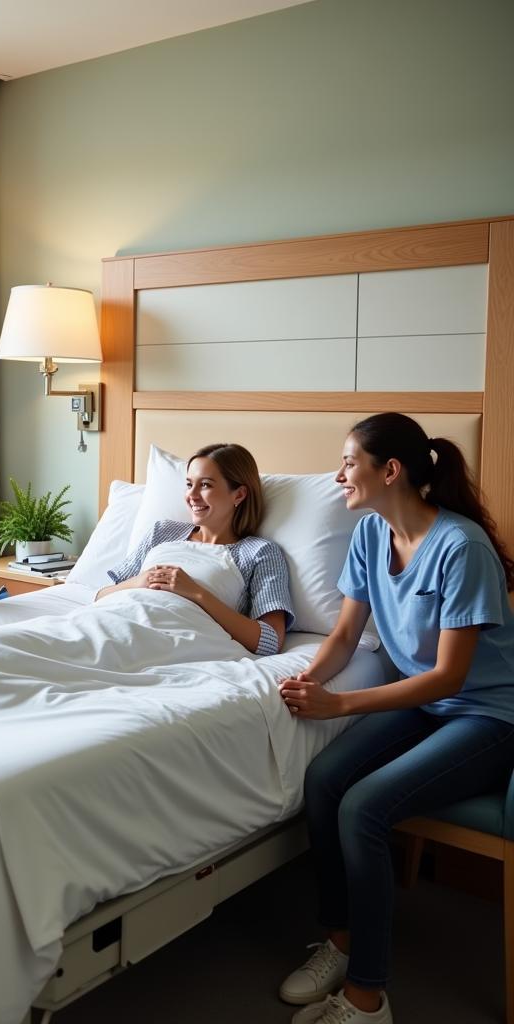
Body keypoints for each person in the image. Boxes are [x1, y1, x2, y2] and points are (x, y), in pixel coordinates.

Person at [277, 413, 514, 1024]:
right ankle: (341, 939)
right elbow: (345, 634)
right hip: (425, 704)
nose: (339, 476)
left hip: (486, 715)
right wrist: (311, 680)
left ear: (391, 470)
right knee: (326, 779)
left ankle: (367, 999)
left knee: (365, 806)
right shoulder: (369, 534)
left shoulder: (461, 548)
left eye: (349, 462)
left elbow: (450, 677)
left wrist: (343, 704)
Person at [97, 442, 293, 656]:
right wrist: (139, 581)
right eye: (189, 484)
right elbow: (101, 596)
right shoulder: (162, 531)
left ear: (239, 495)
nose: (192, 495)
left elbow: (270, 641)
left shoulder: (259, 552)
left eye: (206, 485)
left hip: (167, 641)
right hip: (110, 621)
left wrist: (196, 593)